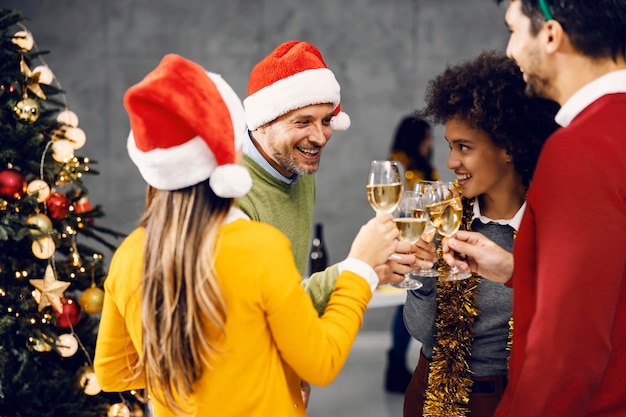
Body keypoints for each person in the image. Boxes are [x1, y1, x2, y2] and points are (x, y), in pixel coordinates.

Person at [93, 54, 400, 417]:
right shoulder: (260, 248)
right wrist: (361, 268)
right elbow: (322, 362)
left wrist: (193, 379)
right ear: (229, 149)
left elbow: (112, 372)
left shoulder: (129, 253)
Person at [441, 1, 626, 415]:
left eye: (514, 30)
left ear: (551, 36)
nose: (510, 51)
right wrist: (515, 270)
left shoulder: (579, 149)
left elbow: (567, 350)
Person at [239, 40, 417, 402]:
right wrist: (357, 267)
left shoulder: (297, 171)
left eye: (326, 120)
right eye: (302, 121)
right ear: (262, 121)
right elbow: (254, 321)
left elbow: (286, 296)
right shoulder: (234, 196)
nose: (319, 137)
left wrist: (373, 272)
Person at [402, 50, 559, 417]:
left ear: (507, 147)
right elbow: (424, 333)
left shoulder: (552, 220)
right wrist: (422, 275)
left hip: (522, 398)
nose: (451, 162)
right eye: (450, 146)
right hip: (437, 395)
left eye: (464, 147)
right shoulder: (442, 216)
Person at [384, 115, 439, 393]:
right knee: (404, 301)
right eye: (427, 138)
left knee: (411, 300)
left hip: (424, 241)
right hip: (407, 241)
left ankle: (400, 365)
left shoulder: (424, 168)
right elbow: (402, 208)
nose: (431, 144)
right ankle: (395, 365)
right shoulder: (400, 166)